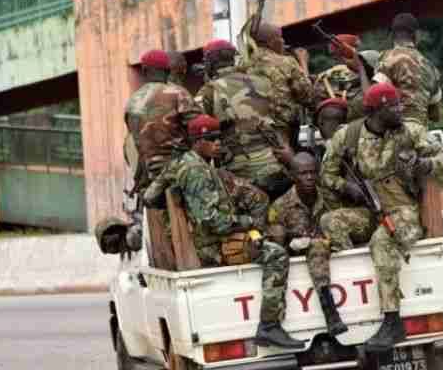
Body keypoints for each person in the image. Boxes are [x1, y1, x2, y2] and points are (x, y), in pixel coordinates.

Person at [319, 83, 443, 352]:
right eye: (394, 106)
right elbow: (326, 175)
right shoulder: (348, 136)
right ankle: (357, 293)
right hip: (371, 209)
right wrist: (347, 187)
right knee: (330, 222)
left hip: (404, 210)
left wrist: (424, 164)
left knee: (382, 241)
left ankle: (392, 320)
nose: (400, 109)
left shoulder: (410, 130)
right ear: (378, 111)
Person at [173, 114, 304, 349]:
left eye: (218, 139)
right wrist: (247, 222)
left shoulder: (202, 166)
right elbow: (212, 221)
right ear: (197, 142)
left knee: (276, 235)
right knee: (276, 255)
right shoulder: (195, 171)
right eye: (211, 139)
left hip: (225, 238)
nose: (218, 144)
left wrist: (255, 227)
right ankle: (269, 326)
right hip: (214, 247)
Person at [195, 39, 293, 199]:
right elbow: (285, 116)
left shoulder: (208, 91)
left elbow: (198, 130)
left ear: (210, 62)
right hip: (276, 163)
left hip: (240, 174)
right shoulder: (263, 82)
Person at [123, 49, 201, 251]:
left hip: (148, 178)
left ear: (144, 71)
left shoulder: (132, 101)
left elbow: (133, 142)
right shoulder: (177, 93)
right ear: (167, 71)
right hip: (180, 173)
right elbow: (200, 128)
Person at [267, 152, 348, 336]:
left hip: (334, 253)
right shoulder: (280, 207)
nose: (309, 177)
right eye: (303, 173)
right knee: (316, 245)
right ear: (292, 176)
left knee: (319, 243)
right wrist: (292, 243)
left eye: (312, 172)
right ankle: (331, 314)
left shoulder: (329, 198)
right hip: (300, 258)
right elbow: (277, 245)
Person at [239, 20, 315, 149]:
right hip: (281, 132)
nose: (283, 42)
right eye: (281, 38)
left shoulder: (241, 65)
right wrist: (303, 63)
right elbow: (308, 96)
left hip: (249, 134)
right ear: (272, 42)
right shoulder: (286, 62)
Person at [374, 12, 443, 139]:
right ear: (416, 35)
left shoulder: (387, 58)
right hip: (421, 136)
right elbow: (435, 115)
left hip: (394, 135)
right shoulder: (430, 67)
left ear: (392, 35)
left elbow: (375, 97)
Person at [313, 34, 367, 121]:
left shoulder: (367, 70)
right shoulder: (328, 76)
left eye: (336, 54)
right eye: (333, 55)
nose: (335, 58)